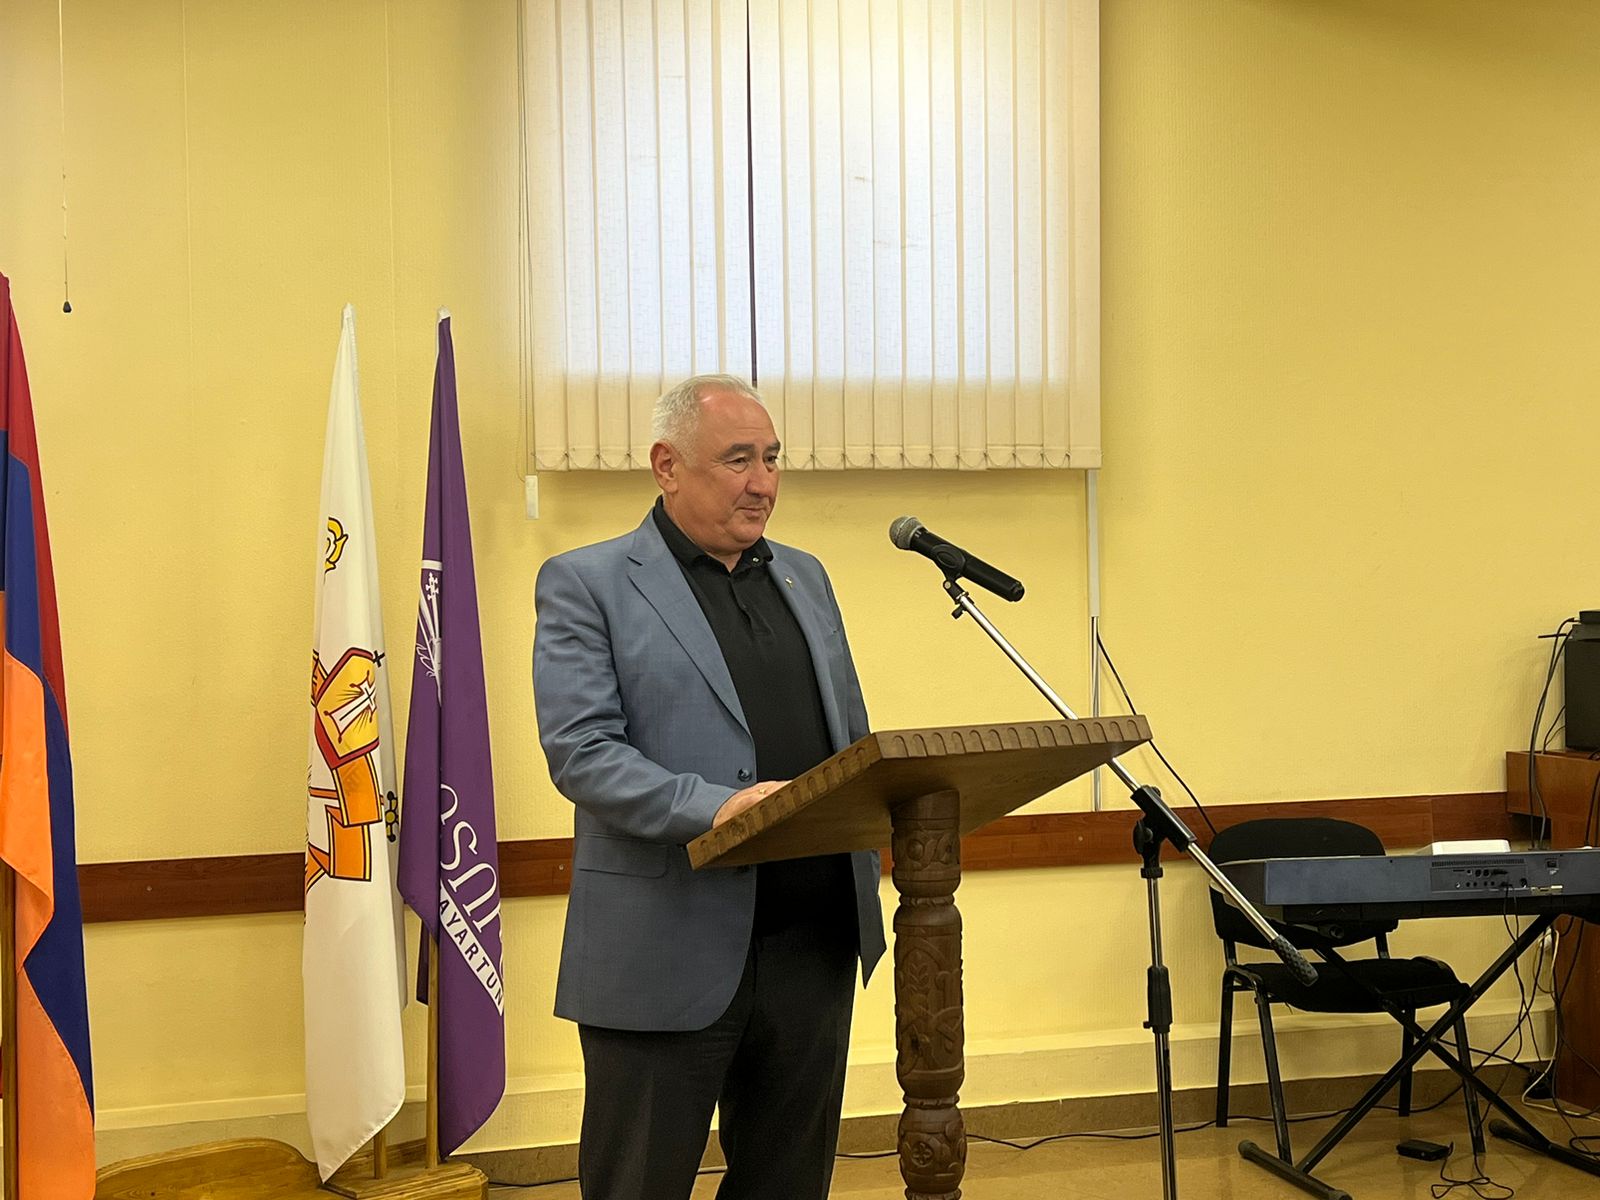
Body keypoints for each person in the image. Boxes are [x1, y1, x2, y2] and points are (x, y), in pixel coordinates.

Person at [532, 374, 887, 1200]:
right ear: (667, 465)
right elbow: (582, 752)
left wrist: (882, 827)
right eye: (738, 460)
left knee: (788, 1186)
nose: (763, 482)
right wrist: (717, 808)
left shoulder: (806, 577)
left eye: (772, 459)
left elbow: (851, 736)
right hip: (666, 946)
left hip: (811, 945)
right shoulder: (588, 583)